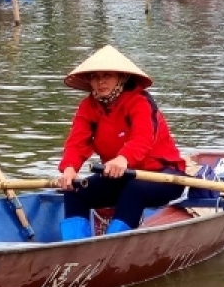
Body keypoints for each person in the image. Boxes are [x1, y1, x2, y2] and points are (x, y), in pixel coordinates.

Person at [56, 45, 186, 240]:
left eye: (107, 75)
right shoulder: (88, 107)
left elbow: (143, 138)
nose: (101, 82)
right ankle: (75, 246)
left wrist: (123, 159)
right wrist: (69, 168)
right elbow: (77, 142)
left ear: (121, 78)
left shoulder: (139, 101)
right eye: (95, 77)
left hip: (162, 175)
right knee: (75, 191)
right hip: (120, 176)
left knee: (134, 190)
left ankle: (111, 245)